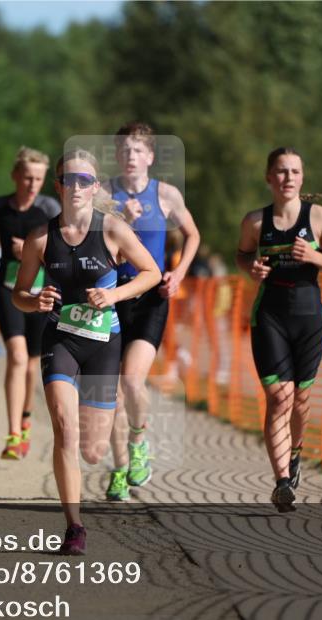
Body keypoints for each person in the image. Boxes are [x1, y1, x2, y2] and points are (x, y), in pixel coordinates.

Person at [12, 149, 160, 555]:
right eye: (69, 180)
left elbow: (152, 273)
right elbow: (19, 295)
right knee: (64, 426)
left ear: (94, 187)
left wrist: (113, 294)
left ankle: (120, 448)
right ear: (59, 185)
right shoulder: (41, 238)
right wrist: (34, 299)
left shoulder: (112, 230)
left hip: (103, 345)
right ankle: (74, 526)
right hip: (60, 339)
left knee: (93, 451)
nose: (75, 187)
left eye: (84, 180)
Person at [235, 147, 322, 512]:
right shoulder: (255, 222)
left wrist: (314, 257)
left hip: (310, 317)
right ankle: (282, 481)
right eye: (281, 172)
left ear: (302, 178)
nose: (288, 178)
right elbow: (242, 254)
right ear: (269, 177)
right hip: (269, 315)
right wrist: (251, 268)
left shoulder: (320, 218)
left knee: (300, 401)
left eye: (295, 172)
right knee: (279, 398)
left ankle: (295, 453)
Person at [101, 123, 202, 501]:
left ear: (150, 157)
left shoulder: (167, 195)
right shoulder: (103, 195)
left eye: (137, 150)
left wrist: (179, 272)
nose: (130, 157)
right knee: (109, 393)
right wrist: (117, 216)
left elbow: (193, 234)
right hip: (112, 298)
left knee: (131, 381)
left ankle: (139, 440)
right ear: (117, 155)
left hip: (151, 298)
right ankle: (118, 468)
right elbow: (85, 237)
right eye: (124, 150)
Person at [0, 147, 61, 460]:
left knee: (32, 365)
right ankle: (11, 435)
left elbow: (64, 248)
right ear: (15, 176)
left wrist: (35, 251)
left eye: (39, 178)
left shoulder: (49, 208)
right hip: (8, 290)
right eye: (27, 177)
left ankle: (25, 421)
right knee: (17, 357)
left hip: (41, 293)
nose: (33, 184)